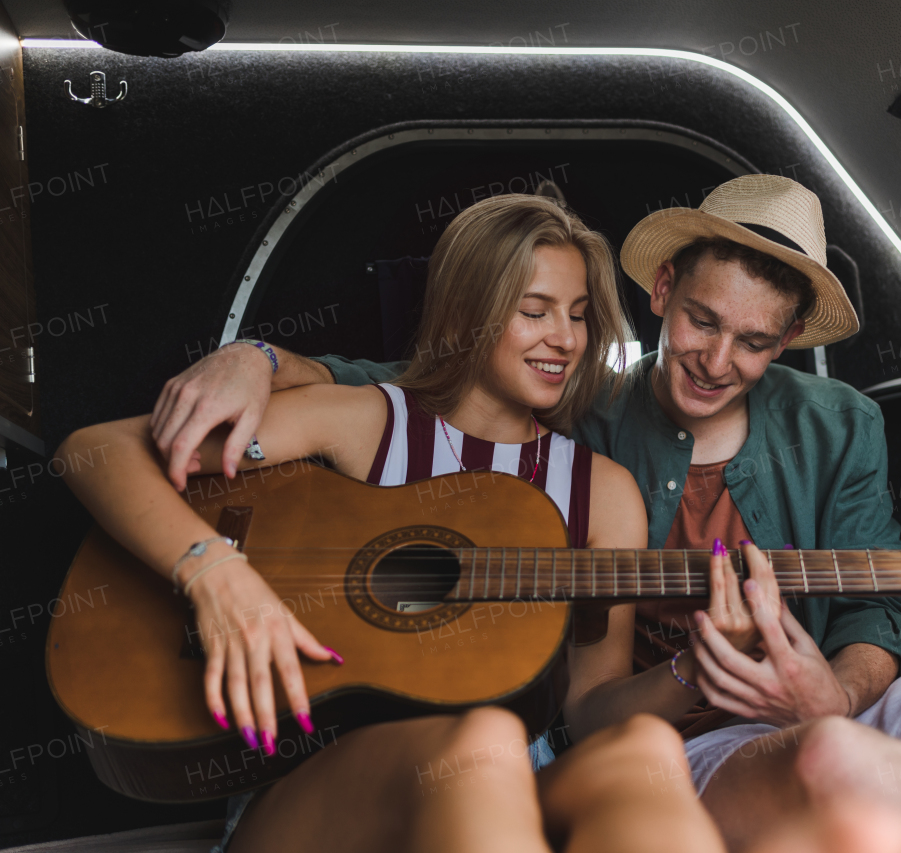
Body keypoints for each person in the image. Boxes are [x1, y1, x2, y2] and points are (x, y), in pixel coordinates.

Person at [147, 176, 901, 853]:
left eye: (753, 342)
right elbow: (421, 386)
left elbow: (890, 614)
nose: (716, 359)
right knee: (832, 766)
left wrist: (833, 684)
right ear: (660, 294)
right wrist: (255, 356)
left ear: (788, 341)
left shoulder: (841, 423)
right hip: (692, 732)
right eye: (699, 323)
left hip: (831, 693)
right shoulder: (571, 415)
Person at [58, 193, 676, 852]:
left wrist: (695, 667)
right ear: (468, 311)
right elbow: (95, 451)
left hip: (515, 785)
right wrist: (217, 574)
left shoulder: (601, 494)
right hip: (327, 796)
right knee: (483, 744)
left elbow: (590, 706)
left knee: (642, 748)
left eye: (579, 316)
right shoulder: (369, 423)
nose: (566, 338)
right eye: (534, 311)